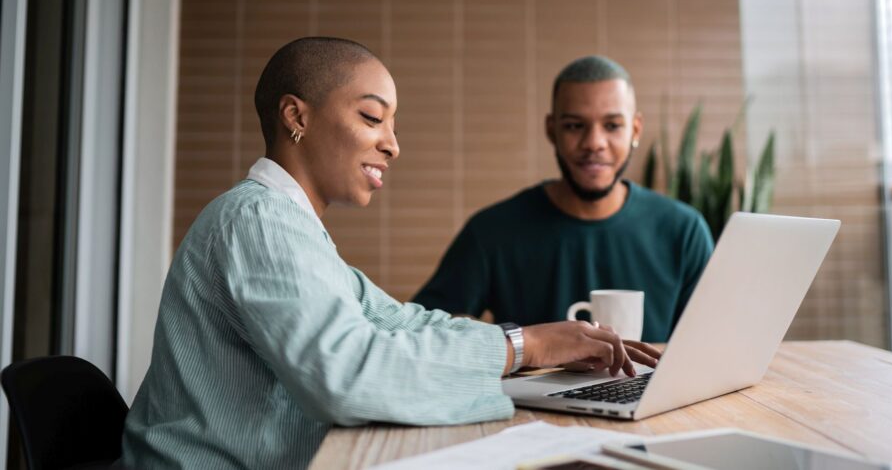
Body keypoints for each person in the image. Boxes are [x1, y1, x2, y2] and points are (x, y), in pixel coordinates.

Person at [121, 38, 661, 470]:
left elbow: (402, 322)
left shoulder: (294, 230)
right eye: (372, 118)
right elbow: (349, 375)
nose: (393, 144)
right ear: (296, 116)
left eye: (393, 125)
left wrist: (533, 345)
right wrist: (526, 346)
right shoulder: (258, 221)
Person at [413, 56, 714, 342]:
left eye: (612, 126)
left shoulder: (683, 231)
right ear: (551, 130)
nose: (594, 143)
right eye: (574, 126)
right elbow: (422, 328)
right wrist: (502, 344)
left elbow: (712, 342)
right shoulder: (492, 231)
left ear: (635, 129)